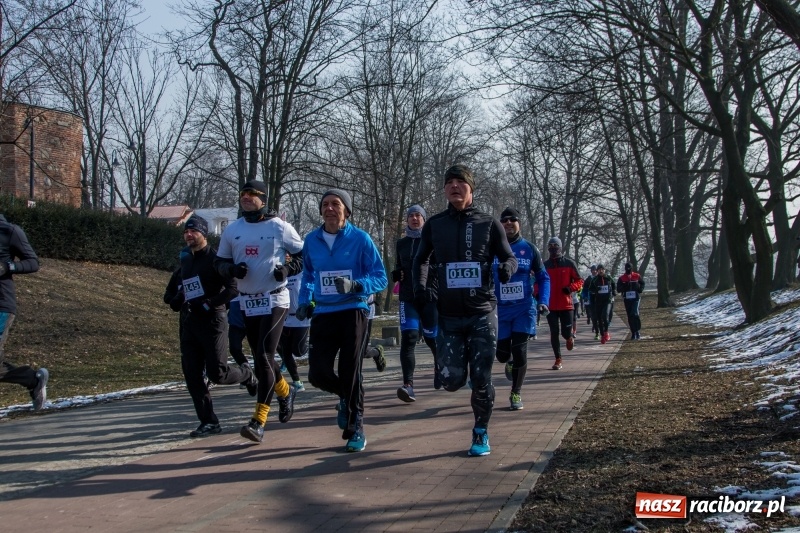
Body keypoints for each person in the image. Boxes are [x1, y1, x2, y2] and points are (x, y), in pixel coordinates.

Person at [413, 164, 518, 457]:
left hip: (482, 312)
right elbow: (421, 259)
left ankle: (481, 431)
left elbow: (509, 257)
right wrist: (421, 286)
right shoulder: (435, 224)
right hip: (448, 315)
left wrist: (506, 269)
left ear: (471, 188)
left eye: (460, 182)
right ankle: (455, 372)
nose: (454, 186)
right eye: (449, 182)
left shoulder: (488, 223)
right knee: (451, 381)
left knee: (482, 378)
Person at [296, 189, 387, 453]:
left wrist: (356, 285)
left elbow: (380, 277)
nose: (329, 209)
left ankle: (356, 426)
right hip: (323, 312)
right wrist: (305, 301)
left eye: (336, 204)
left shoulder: (360, 239)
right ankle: (346, 396)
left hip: (353, 311)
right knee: (317, 374)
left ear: (346, 210)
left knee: (351, 371)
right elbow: (309, 275)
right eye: (325, 204)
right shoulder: (311, 240)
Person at [214, 180, 304, 444]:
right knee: (262, 357)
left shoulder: (279, 227)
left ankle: (259, 421)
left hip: (275, 299)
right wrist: (230, 270)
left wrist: (287, 270)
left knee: (264, 355)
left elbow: (303, 256)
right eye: (243, 193)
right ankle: (285, 392)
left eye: (251, 194)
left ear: (263, 199)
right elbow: (219, 262)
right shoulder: (233, 229)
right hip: (247, 301)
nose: (245, 197)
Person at [163, 216, 258, 437]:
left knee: (218, 374)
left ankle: (246, 374)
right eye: (186, 232)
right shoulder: (186, 260)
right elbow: (170, 293)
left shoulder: (216, 259)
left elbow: (233, 289)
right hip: (189, 324)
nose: (189, 235)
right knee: (192, 375)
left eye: (193, 231)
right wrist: (177, 298)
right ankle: (209, 422)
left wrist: (209, 304)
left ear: (204, 234)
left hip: (213, 321)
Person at [492, 207, 550, 411]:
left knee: (520, 351)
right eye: (504, 220)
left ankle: (516, 392)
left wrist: (543, 301)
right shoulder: (492, 248)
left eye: (512, 220)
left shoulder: (529, 248)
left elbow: (543, 277)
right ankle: (508, 360)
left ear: (519, 223)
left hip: (523, 309)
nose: (508, 223)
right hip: (500, 310)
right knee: (501, 354)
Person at [392, 204, 438, 403]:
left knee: (431, 339)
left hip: (429, 297)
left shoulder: (432, 240)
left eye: (418, 215)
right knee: (409, 337)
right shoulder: (401, 243)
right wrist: (396, 274)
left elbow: (438, 266)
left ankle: (439, 367)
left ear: (424, 220)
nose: (414, 218)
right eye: (411, 215)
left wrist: (422, 273)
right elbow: (398, 267)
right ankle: (408, 385)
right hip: (408, 297)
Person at [0, 215, 47, 410]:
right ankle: (33, 380)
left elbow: (33, 262)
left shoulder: (9, 231)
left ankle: (32, 380)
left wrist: (7, 267)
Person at [543, 237, 583, 370]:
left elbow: (579, 281)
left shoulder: (569, 263)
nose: (553, 248)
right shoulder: (544, 265)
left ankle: (569, 337)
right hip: (550, 305)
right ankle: (558, 359)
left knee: (565, 333)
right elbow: (539, 281)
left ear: (560, 247)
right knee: (554, 332)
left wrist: (570, 288)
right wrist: (538, 294)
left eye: (555, 245)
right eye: (550, 246)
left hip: (566, 305)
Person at [278, 263, 309, 392]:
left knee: (298, 351)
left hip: (300, 318)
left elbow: (311, 288)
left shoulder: (302, 273)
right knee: (286, 352)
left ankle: (313, 346)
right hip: (284, 317)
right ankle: (297, 382)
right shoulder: (281, 274)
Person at [587, 264, 615, 344]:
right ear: (597, 271)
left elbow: (613, 284)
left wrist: (613, 291)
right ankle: (602, 335)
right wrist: (596, 290)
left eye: (602, 269)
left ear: (604, 270)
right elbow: (590, 289)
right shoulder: (594, 279)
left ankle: (606, 332)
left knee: (605, 316)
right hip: (598, 301)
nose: (601, 271)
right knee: (599, 318)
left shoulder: (608, 277)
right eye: (599, 270)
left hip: (607, 300)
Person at [617, 262, 645, 340]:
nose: (628, 269)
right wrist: (624, 287)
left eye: (629, 268)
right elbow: (618, 289)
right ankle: (633, 332)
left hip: (636, 298)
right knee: (630, 316)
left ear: (632, 268)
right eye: (627, 268)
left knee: (634, 313)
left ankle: (637, 331)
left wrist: (640, 289)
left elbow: (642, 283)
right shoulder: (622, 278)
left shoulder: (637, 276)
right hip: (627, 299)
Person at [582, 265, 599, 339]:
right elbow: (584, 290)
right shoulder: (588, 280)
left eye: (595, 270)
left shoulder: (600, 278)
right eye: (593, 270)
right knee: (593, 315)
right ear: (591, 271)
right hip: (590, 299)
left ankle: (597, 326)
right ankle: (595, 327)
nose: (594, 271)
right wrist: (585, 297)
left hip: (599, 300)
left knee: (599, 315)